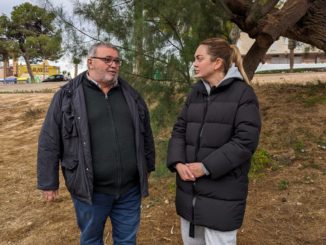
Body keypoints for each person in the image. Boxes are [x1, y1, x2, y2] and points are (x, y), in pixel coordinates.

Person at [37, 42, 155, 245]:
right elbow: (49, 140)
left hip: (129, 190)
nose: (113, 65)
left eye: (117, 60)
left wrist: (147, 167)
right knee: (91, 240)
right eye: (107, 59)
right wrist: (48, 182)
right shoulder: (67, 96)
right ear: (90, 62)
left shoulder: (131, 95)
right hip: (91, 190)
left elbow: (145, 135)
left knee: (127, 240)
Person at [167, 38, 261, 245]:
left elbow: (245, 141)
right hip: (189, 194)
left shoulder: (243, 94)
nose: (194, 63)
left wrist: (206, 167)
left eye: (199, 58)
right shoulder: (196, 92)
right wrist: (178, 163)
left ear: (217, 62)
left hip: (223, 197)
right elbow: (179, 129)